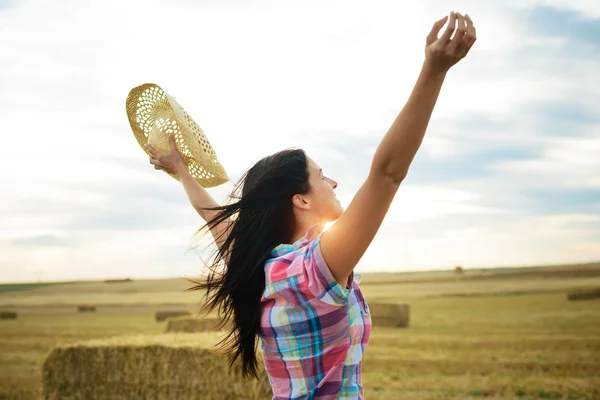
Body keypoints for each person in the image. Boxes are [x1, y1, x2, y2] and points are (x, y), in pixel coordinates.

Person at [145, 11, 476, 400]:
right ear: (300, 199)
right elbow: (387, 174)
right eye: (322, 176)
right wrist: (434, 71)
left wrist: (181, 169)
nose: (334, 183)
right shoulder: (313, 272)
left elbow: (213, 215)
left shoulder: (263, 267)